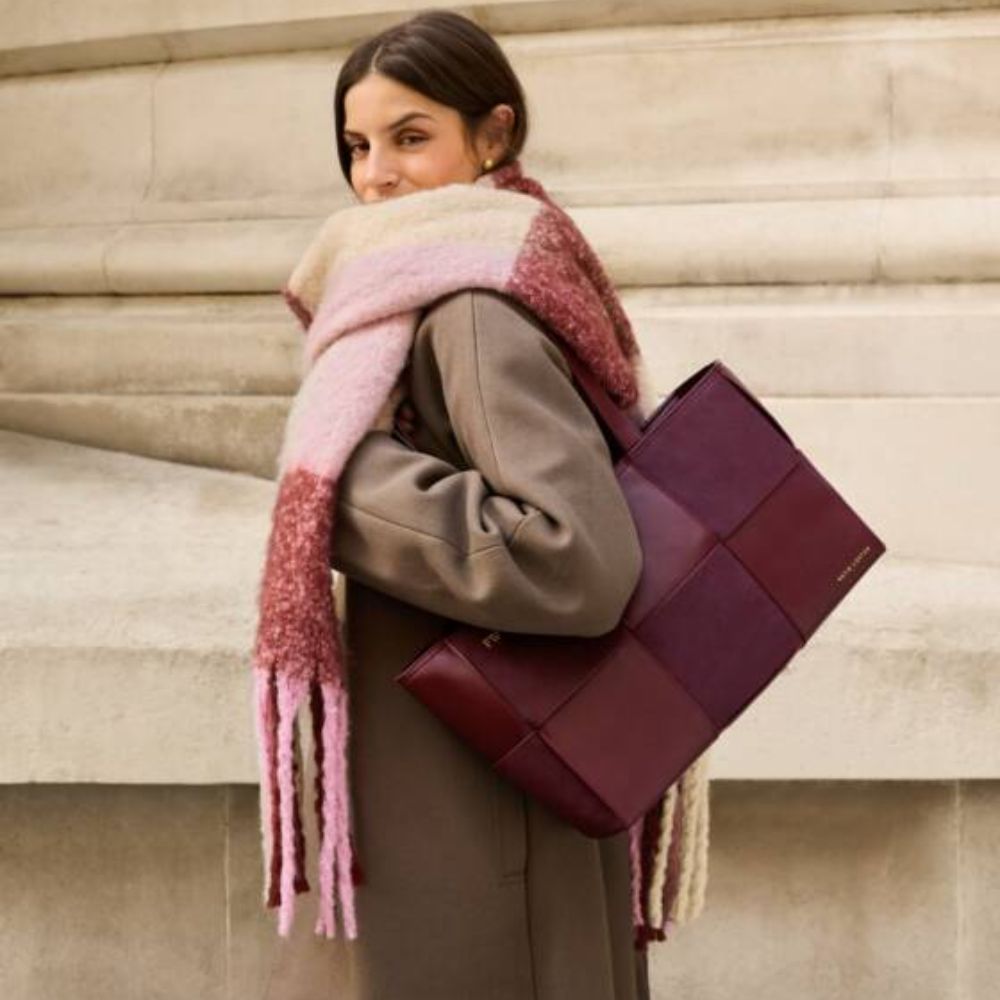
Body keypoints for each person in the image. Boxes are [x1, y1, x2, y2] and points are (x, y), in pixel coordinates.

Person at [260, 10, 708, 999]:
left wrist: (340, 485)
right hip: (496, 775)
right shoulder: (441, 286)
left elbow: (575, 560)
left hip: (491, 807)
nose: (377, 175)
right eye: (357, 146)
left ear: (493, 134)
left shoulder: (470, 308)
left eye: (410, 137)